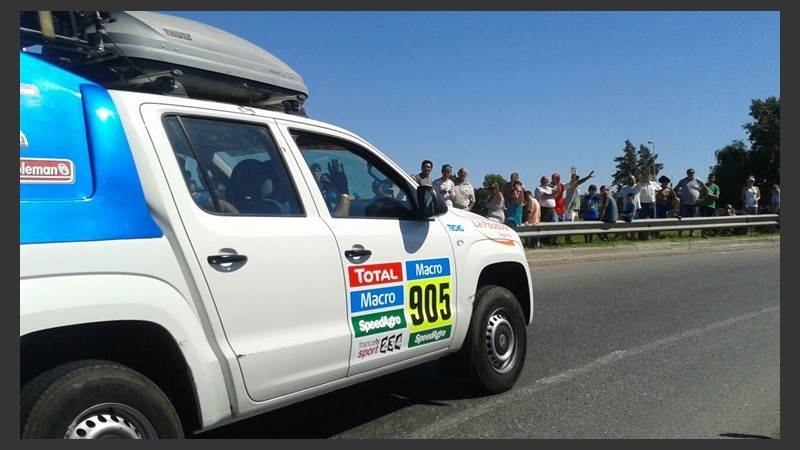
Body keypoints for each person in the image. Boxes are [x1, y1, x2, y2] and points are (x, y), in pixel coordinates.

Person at [562, 167, 595, 244]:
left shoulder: (577, 187)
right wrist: (587, 177)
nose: (577, 180)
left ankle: (569, 239)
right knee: (568, 226)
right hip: (570, 208)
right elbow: (576, 182)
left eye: (577, 178)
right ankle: (567, 240)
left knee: (572, 226)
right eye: (575, 178)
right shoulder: (570, 185)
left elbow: (578, 183)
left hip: (575, 208)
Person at [674, 168, 707, 237]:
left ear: (694, 174)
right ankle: (680, 233)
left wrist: (702, 199)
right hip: (685, 203)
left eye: (692, 173)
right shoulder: (682, 181)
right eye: (689, 173)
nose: (690, 175)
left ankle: (691, 233)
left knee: (693, 219)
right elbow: (675, 189)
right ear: (687, 174)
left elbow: (705, 189)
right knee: (682, 219)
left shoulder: (698, 180)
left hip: (695, 204)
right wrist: (679, 197)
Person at [633, 171, 660, 240]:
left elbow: (659, 190)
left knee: (654, 220)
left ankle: (654, 236)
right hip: (643, 204)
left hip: (652, 203)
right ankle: (641, 236)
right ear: (643, 176)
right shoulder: (639, 185)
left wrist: (656, 195)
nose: (647, 177)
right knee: (642, 220)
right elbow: (634, 192)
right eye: (645, 175)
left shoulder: (653, 184)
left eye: (648, 175)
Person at [699, 173, 721, 238]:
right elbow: (700, 195)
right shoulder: (704, 186)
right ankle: (703, 234)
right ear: (708, 178)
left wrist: (709, 195)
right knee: (704, 220)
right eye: (710, 178)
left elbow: (717, 197)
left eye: (713, 178)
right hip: (704, 205)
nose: (711, 179)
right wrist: (705, 194)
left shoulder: (716, 187)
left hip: (712, 206)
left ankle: (711, 233)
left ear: (714, 179)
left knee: (712, 220)